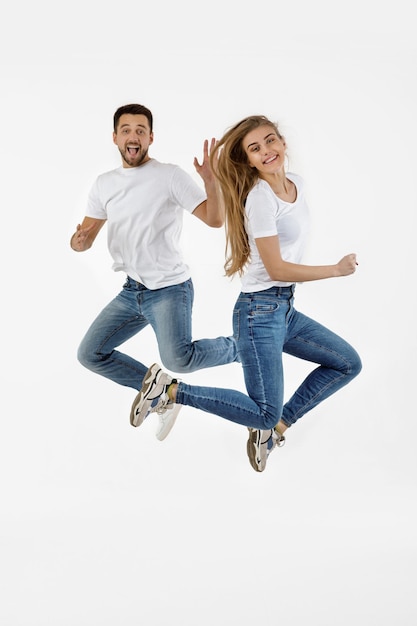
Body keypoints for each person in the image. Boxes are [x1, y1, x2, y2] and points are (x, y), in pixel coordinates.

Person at [131, 114, 362, 472]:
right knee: (264, 410)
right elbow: (277, 269)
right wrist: (334, 269)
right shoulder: (260, 198)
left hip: (284, 310)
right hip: (259, 313)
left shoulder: (294, 184)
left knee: (347, 363)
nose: (266, 151)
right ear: (249, 160)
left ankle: (274, 430)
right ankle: (170, 391)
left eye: (270, 141)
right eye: (255, 148)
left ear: (283, 142)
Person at [71, 103, 237, 441]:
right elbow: (83, 240)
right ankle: (163, 393)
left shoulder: (170, 175)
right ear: (115, 137)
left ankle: (242, 346)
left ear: (150, 137)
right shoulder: (104, 184)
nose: (134, 136)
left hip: (169, 289)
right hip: (132, 292)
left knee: (180, 358)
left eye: (140, 130)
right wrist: (79, 241)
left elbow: (214, 219)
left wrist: (210, 182)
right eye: (127, 129)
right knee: (90, 354)